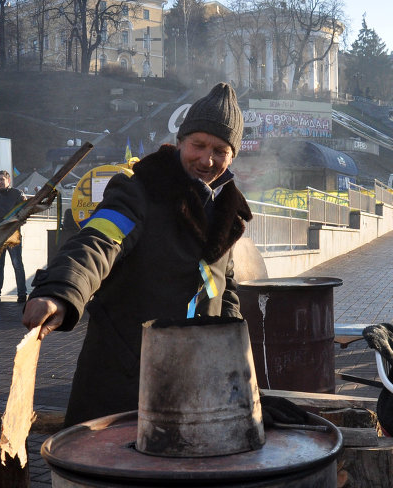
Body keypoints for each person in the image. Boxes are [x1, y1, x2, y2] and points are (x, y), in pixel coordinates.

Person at [20, 83, 253, 425]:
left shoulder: (225, 211)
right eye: (198, 145)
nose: (207, 159)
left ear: (233, 155)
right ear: (180, 143)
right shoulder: (140, 189)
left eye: (220, 150)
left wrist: (230, 344)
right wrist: (60, 290)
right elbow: (99, 240)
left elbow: (223, 283)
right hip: (127, 377)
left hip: (197, 380)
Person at [0, 170, 27, 304]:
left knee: (17, 264)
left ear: (8, 180)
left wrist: (16, 223)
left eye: (2, 179)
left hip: (12, 235)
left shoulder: (17, 194)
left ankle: (22, 294)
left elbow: (25, 212)